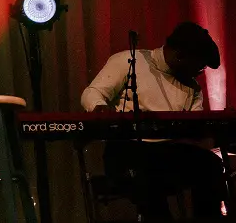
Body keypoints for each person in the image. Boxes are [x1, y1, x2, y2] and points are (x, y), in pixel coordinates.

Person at [81, 21, 227, 221]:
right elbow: (93, 93)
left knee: (210, 165)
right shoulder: (129, 60)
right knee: (148, 177)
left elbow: (194, 122)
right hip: (127, 150)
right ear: (180, 55)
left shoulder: (192, 87)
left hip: (166, 154)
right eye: (198, 67)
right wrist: (100, 108)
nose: (199, 74)